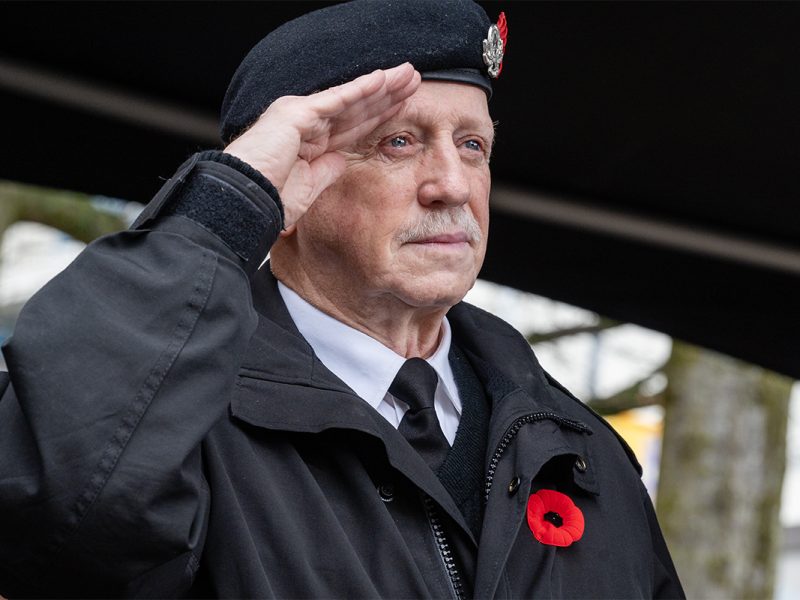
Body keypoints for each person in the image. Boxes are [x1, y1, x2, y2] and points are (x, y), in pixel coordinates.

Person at [0, 1, 684, 598]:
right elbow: (60, 514)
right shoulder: (176, 429)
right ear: (291, 188)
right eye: (399, 142)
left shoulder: (580, 447)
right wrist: (230, 203)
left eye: (473, 145)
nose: (452, 183)